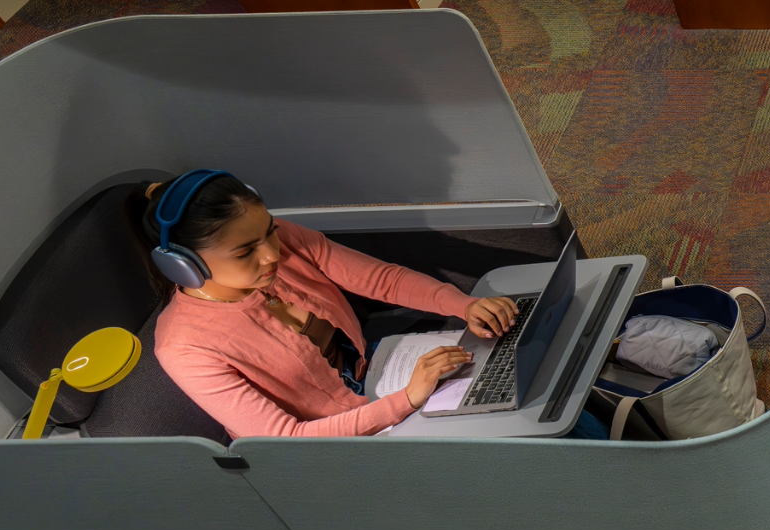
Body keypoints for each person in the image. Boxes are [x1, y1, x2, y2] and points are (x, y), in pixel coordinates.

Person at [137, 171, 594, 439]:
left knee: (524, 371)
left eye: (270, 232)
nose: (273, 254)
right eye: (245, 252)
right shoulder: (185, 348)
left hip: (378, 370)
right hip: (343, 440)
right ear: (185, 266)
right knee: (522, 424)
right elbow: (284, 440)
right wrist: (409, 398)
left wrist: (460, 303)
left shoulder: (281, 243)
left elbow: (381, 278)